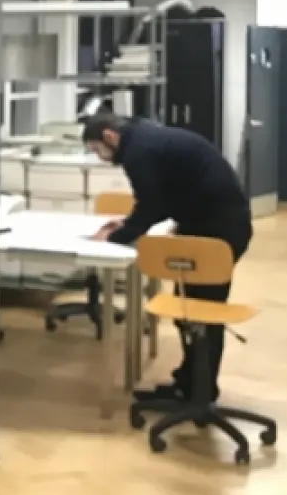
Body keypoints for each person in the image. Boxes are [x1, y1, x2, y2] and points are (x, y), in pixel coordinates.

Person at [82, 112, 253, 405]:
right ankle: (190, 386)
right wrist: (127, 224)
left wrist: (114, 238)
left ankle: (200, 394)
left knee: (200, 313)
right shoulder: (146, 139)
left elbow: (151, 205)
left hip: (215, 231)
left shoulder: (138, 152)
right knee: (191, 310)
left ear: (110, 137)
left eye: (98, 150)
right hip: (218, 223)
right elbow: (162, 199)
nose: (100, 158)